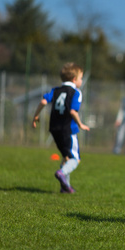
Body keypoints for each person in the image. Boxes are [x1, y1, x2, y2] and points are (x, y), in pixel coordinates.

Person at [32, 62, 90, 193]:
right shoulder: (76, 92)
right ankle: (62, 173)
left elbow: (43, 101)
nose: (81, 81)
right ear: (75, 79)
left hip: (54, 129)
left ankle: (65, 187)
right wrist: (81, 124)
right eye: (81, 78)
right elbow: (73, 112)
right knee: (75, 159)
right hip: (68, 130)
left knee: (66, 157)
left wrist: (35, 116)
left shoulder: (56, 90)